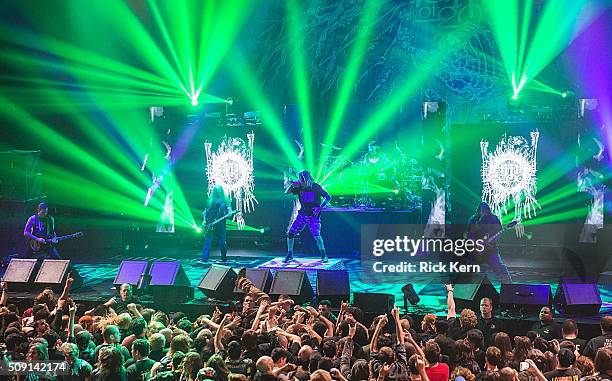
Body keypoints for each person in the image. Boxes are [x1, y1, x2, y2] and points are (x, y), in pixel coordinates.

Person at [285, 170, 331, 263]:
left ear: (306, 179)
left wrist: (320, 208)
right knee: (291, 233)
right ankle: (290, 254)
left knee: (317, 235)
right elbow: (287, 192)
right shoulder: (299, 187)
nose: (300, 181)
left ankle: (324, 255)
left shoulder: (315, 187)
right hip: (302, 215)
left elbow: (328, 197)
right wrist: (293, 185)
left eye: (301, 179)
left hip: (313, 216)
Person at [467, 202, 512, 283]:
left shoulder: (493, 219)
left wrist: (491, 241)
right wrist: (476, 243)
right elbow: (469, 235)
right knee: (472, 270)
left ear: (488, 210)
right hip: (476, 250)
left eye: (485, 210)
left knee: (498, 267)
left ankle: (509, 287)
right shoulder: (473, 219)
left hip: (491, 249)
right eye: (481, 210)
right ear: (478, 210)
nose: (483, 212)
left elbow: (499, 233)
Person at [200, 185, 232, 263]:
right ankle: (204, 259)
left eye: (219, 190)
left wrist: (230, 213)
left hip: (220, 224)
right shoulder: (210, 200)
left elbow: (229, 210)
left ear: (221, 190)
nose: (218, 192)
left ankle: (224, 258)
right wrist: (204, 221)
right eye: (216, 190)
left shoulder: (225, 199)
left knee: (222, 242)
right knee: (207, 242)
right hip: (210, 224)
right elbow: (205, 212)